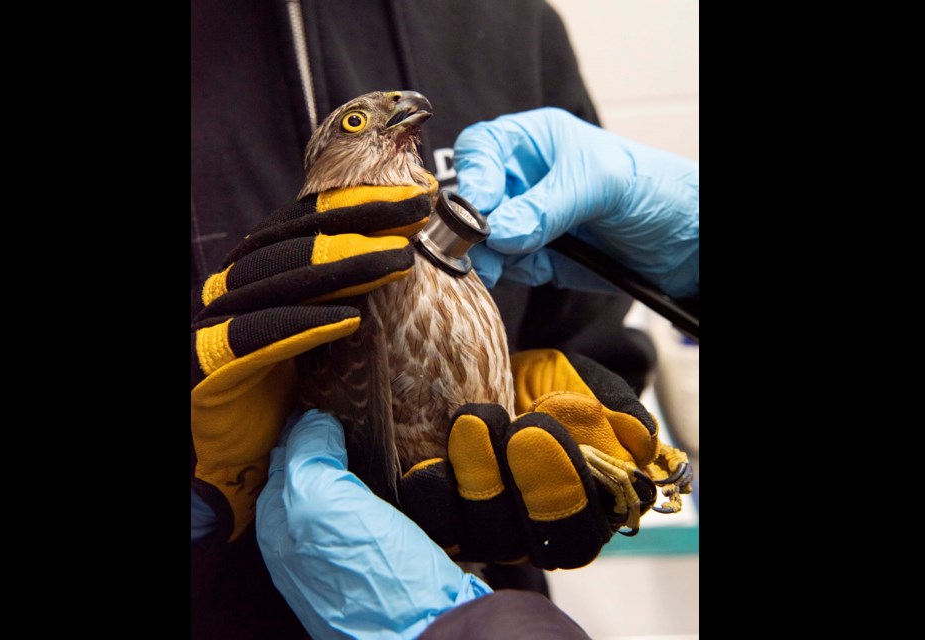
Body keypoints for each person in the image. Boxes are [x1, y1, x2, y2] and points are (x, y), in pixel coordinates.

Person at [191, 1, 698, 637]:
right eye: (357, 122)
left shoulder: (509, 19)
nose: (401, 113)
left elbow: (586, 335)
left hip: (486, 588)